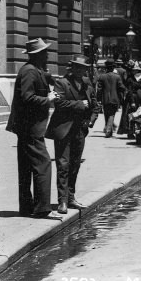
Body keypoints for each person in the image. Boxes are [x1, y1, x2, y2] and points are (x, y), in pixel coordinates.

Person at [5, 38, 59, 218]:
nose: (48, 54)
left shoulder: (35, 70)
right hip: (30, 127)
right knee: (43, 165)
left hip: (28, 126)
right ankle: (42, 209)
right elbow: (28, 98)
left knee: (27, 167)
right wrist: (48, 99)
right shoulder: (29, 71)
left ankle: (27, 208)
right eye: (45, 52)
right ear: (38, 55)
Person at [48, 56, 97, 214]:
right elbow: (59, 103)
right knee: (63, 165)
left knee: (75, 164)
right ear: (72, 68)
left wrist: (90, 121)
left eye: (83, 68)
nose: (80, 70)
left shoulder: (87, 84)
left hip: (79, 131)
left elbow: (95, 106)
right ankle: (62, 201)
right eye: (77, 67)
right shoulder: (61, 83)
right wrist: (79, 104)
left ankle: (71, 197)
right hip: (64, 129)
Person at [97, 59, 126, 138]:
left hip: (105, 99)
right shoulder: (117, 77)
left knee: (106, 114)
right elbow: (121, 87)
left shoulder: (102, 77)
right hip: (115, 99)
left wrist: (98, 99)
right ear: (113, 67)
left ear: (106, 67)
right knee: (112, 114)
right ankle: (109, 130)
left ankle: (108, 129)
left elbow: (99, 89)